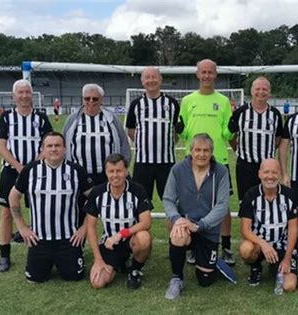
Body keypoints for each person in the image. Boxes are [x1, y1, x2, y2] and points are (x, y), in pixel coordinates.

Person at [8, 132, 93, 283]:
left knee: (74, 277)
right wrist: (21, 227)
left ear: (65, 149)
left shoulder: (76, 171)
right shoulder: (30, 170)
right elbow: (13, 196)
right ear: (43, 149)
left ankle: (68, 259)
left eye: (58, 145)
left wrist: (83, 228)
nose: (54, 149)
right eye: (49, 146)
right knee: (34, 279)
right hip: (40, 239)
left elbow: (93, 199)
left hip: (69, 239)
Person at [177, 59, 235, 265]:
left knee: (223, 205)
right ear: (197, 74)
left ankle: (226, 246)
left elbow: (227, 133)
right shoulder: (187, 100)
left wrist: (232, 127)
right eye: (204, 72)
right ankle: (193, 246)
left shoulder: (224, 101)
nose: (207, 76)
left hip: (218, 159)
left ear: (216, 74)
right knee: (192, 204)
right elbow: (184, 133)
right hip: (193, 159)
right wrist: (179, 129)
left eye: (211, 72)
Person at [0, 79, 53, 272]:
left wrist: (33, 165)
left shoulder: (41, 118)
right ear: (14, 96)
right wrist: (18, 166)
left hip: (37, 171)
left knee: (40, 211)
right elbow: (1, 146)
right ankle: (4, 255)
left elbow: (49, 144)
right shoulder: (6, 117)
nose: (24, 95)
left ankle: (41, 251)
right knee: (7, 212)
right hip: (11, 171)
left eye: (27, 92)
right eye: (21, 92)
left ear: (31, 95)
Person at [163, 134, 230, 300]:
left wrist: (200, 225)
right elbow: (168, 199)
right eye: (198, 150)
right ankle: (176, 279)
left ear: (212, 152)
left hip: (208, 230)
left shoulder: (221, 172)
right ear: (191, 151)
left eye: (206, 150)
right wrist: (176, 219)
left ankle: (212, 263)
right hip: (185, 225)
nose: (202, 154)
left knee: (205, 280)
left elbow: (222, 206)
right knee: (178, 235)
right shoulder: (178, 170)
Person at [85, 153, 153, 290]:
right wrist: (98, 259)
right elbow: (90, 227)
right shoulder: (97, 193)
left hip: (130, 239)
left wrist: (121, 234)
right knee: (97, 282)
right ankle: (120, 263)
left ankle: (135, 269)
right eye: (111, 171)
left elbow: (146, 223)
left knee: (144, 238)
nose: (115, 175)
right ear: (106, 172)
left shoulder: (137, 190)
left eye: (119, 171)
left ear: (126, 171)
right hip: (109, 244)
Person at [239, 159, 298, 292]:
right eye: (266, 172)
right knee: (245, 249)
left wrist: (287, 258)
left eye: (274, 172)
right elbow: (245, 229)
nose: (270, 176)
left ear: (279, 174)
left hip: (281, 245)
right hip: (259, 245)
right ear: (259, 174)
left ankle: (276, 266)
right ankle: (256, 267)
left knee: (289, 286)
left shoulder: (289, 195)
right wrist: (263, 244)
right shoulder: (250, 195)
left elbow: (293, 229)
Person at [126, 67, 180, 201]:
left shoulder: (172, 103)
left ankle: (175, 223)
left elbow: (175, 130)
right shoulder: (136, 104)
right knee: (140, 203)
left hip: (166, 163)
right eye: (147, 78)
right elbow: (131, 131)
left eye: (154, 77)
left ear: (160, 79)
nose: (151, 80)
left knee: (171, 202)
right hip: (143, 163)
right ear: (142, 81)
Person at [63, 83, 131, 186]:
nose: (91, 101)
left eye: (95, 99)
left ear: (101, 100)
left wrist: (123, 168)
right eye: (87, 98)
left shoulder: (111, 119)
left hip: (108, 176)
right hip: (80, 176)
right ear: (82, 99)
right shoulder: (73, 120)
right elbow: (63, 144)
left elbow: (124, 144)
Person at [228, 76, 283, 204]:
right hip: (245, 165)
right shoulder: (240, 113)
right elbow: (231, 136)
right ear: (252, 91)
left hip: (267, 167)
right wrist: (238, 150)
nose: (261, 92)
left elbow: (278, 137)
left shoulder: (275, 114)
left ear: (269, 92)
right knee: (246, 202)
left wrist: (269, 151)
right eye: (258, 88)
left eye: (265, 89)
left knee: (268, 200)